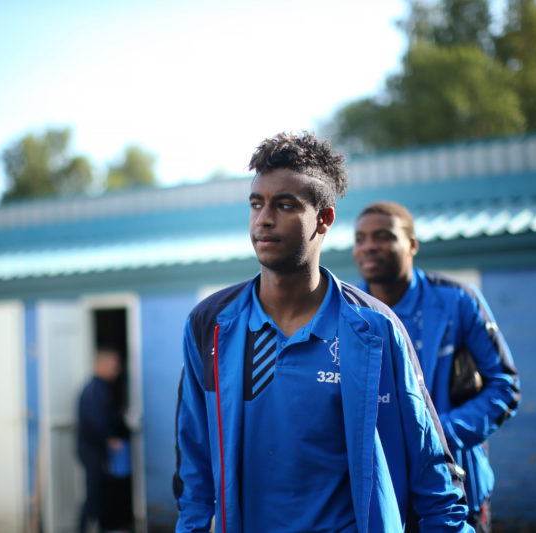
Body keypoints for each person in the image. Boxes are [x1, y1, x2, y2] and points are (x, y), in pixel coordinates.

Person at [173, 132, 472, 532]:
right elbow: (194, 472)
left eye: (284, 205)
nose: (263, 219)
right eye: (256, 204)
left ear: (324, 218)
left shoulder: (376, 330)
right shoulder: (211, 327)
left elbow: (434, 474)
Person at [353, 201, 521, 533]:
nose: (369, 245)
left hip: (457, 492)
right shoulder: (348, 312)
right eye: (360, 238)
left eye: (383, 236)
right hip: (380, 497)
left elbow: (504, 386)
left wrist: (436, 434)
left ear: (412, 244)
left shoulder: (458, 301)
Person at [77, 347, 132, 533]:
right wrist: (109, 439)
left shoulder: (103, 388)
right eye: (112, 366)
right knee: (94, 494)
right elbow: (95, 420)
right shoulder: (95, 390)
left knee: (102, 493)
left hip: (97, 450)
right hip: (93, 450)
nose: (116, 370)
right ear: (100, 365)